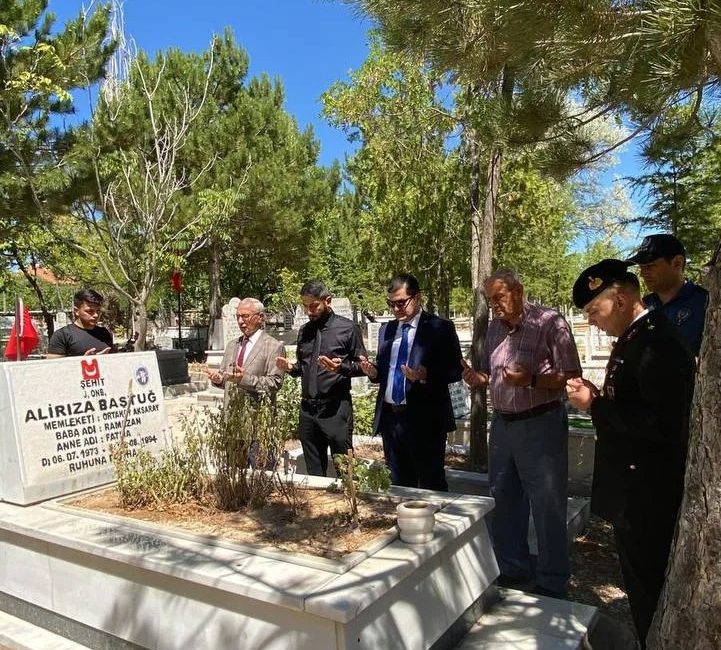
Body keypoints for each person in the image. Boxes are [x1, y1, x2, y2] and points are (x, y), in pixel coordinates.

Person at [566, 259, 694, 648]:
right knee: (641, 589)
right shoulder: (637, 337)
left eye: (593, 310)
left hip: (649, 494)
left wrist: (595, 406)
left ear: (620, 299)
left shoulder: (657, 341)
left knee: (650, 591)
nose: (592, 321)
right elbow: (635, 403)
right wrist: (600, 397)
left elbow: (665, 424)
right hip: (635, 489)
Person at [462, 269, 581, 598]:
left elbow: (571, 376)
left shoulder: (550, 322)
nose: (494, 305)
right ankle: (513, 567)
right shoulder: (495, 328)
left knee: (547, 504)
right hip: (502, 425)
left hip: (540, 424)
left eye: (498, 297)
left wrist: (531, 380)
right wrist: (479, 378)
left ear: (518, 290)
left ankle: (552, 579)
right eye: (490, 299)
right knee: (504, 499)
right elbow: (493, 374)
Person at [359, 274, 462, 492]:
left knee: (431, 484)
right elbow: (384, 370)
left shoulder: (439, 328)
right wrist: (373, 372)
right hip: (392, 420)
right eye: (391, 304)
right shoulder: (386, 330)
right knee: (398, 485)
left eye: (400, 303)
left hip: (426, 421)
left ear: (417, 298)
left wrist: (425, 375)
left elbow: (455, 370)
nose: (395, 309)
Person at [275, 281, 366, 477]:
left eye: (313, 305)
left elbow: (364, 367)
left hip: (335, 410)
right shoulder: (304, 332)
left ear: (328, 301)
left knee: (345, 470)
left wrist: (340, 367)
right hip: (308, 411)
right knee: (314, 472)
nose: (309, 311)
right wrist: (291, 367)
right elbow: (303, 367)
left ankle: (348, 505)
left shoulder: (347, 329)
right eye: (305, 306)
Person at [626, 233, 708, 356]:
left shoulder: (706, 303)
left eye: (649, 266)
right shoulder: (643, 306)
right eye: (641, 267)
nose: (642, 274)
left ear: (677, 263)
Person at [207, 298, 285, 405]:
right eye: (238, 316)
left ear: (260, 317)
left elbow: (275, 383)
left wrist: (244, 379)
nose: (240, 321)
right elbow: (225, 376)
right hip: (231, 413)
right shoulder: (232, 345)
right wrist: (219, 379)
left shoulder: (274, 347)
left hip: (257, 414)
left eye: (245, 316)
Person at [46, 288, 113, 358]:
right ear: (76, 311)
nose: (96, 315)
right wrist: (82, 362)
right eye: (90, 311)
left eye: (98, 311)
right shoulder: (62, 336)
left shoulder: (105, 334)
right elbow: (53, 366)